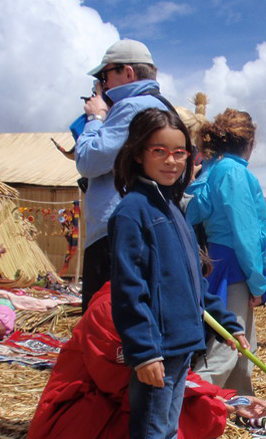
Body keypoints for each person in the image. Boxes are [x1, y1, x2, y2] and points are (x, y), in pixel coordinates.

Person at [108, 108, 249, 439]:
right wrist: (142, 350)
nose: (171, 161)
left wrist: (228, 324)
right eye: (159, 151)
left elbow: (195, 286)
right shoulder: (133, 211)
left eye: (179, 153)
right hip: (157, 351)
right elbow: (130, 290)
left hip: (181, 347)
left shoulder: (172, 209)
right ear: (139, 154)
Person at [25, 281, 266, 439]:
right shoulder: (113, 310)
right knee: (188, 412)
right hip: (85, 415)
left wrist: (223, 397)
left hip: (127, 398)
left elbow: (175, 372)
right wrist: (210, 399)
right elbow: (125, 386)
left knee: (205, 410)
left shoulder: (163, 300)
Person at [75, 39, 172, 313]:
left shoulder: (130, 108)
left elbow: (89, 162)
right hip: (142, 221)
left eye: (105, 76)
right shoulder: (160, 106)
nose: (103, 85)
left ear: (128, 73)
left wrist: (95, 118)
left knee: (103, 315)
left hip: (113, 228)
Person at [185, 109, 266, 395]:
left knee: (245, 344)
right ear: (250, 143)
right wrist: (257, 281)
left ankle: (241, 405)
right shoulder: (234, 173)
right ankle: (190, 404)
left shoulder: (215, 168)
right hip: (236, 266)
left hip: (222, 262)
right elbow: (245, 232)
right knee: (226, 347)